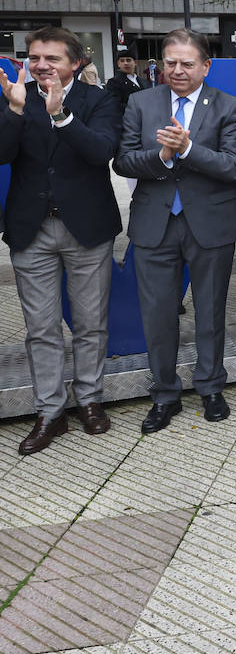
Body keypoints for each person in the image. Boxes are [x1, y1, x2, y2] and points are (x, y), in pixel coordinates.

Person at [114, 28, 236, 433]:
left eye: (187, 63)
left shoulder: (229, 106)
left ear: (205, 67)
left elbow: (235, 167)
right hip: (155, 222)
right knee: (157, 315)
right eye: (169, 62)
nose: (177, 70)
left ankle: (210, 387)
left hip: (211, 224)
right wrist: (162, 155)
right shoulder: (140, 103)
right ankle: (165, 394)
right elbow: (123, 161)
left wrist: (189, 150)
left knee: (210, 311)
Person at [0, 27, 122, 454]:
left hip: (86, 227)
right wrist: (15, 111)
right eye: (34, 58)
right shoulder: (16, 96)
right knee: (41, 328)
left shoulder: (99, 99)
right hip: (30, 228)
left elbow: (101, 151)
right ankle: (50, 412)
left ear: (76, 62)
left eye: (52, 58)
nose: (41, 66)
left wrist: (62, 117)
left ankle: (89, 400)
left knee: (91, 322)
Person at [105, 49, 150, 114]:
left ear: (135, 62)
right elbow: (114, 105)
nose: (125, 63)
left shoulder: (143, 81)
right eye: (122, 61)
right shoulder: (113, 82)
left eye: (128, 60)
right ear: (118, 64)